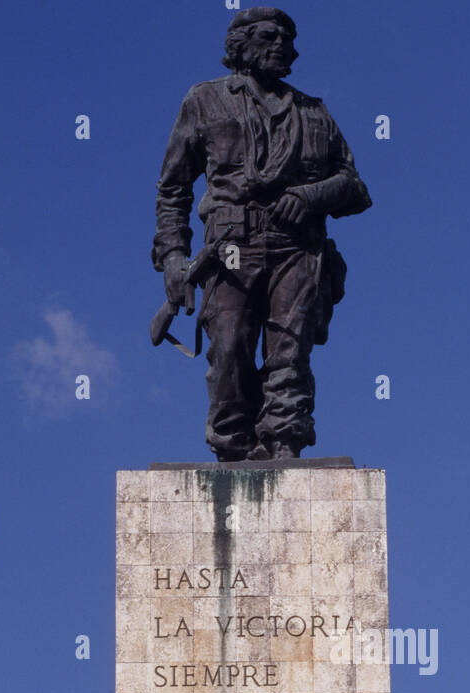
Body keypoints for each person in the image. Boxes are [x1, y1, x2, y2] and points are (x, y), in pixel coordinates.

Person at [152, 7, 372, 462]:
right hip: (230, 249)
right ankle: (233, 449)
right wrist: (174, 257)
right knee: (229, 348)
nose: (283, 47)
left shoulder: (314, 112)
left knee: (289, 352)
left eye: (288, 40)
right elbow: (173, 187)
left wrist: (311, 197)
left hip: (296, 248)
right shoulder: (205, 100)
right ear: (240, 46)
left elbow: (354, 186)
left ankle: (283, 443)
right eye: (270, 37)